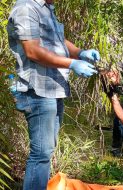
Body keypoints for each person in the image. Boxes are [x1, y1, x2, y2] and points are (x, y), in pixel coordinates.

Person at [7, 0, 100, 189]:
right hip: (38, 91)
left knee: (46, 152)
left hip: (54, 89)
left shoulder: (47, 8)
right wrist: (71, 64)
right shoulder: (26, 7)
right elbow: (32, 50)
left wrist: (80, 53)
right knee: (40, 154)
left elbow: (58, 40)